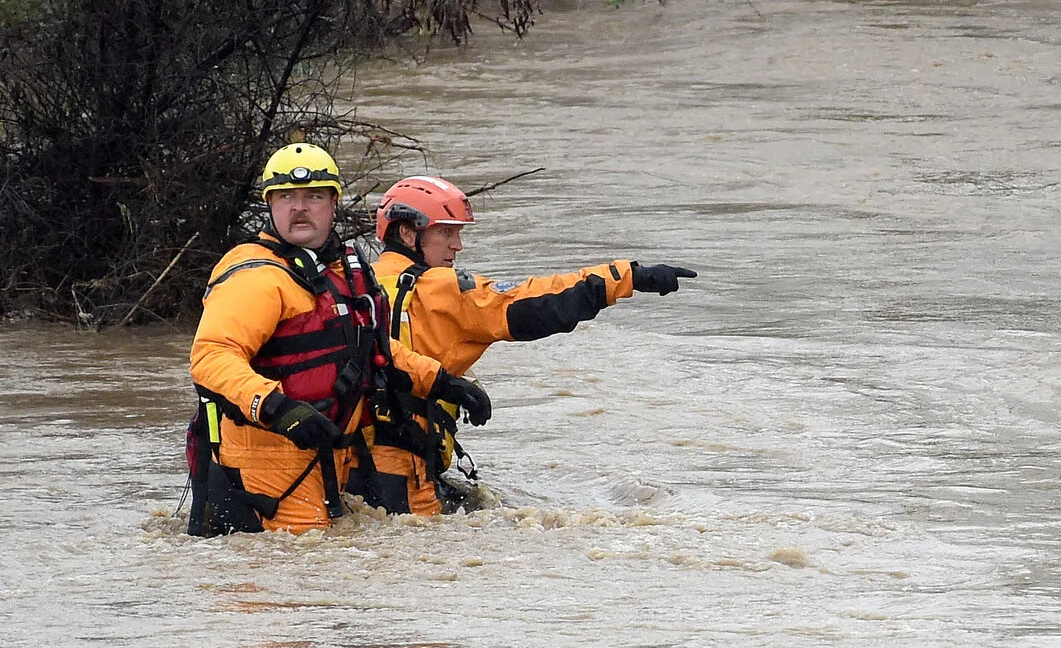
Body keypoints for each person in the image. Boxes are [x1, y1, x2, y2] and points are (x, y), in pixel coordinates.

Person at [185, 143, 492, 535]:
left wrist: (444, 383)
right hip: (264, 466)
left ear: (333, 205)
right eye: (286, 197)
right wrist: (279, 408)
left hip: (326, 459)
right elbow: (212, 357)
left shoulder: (341, 271)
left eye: (313, 197)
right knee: (287, 585)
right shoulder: (256, 277)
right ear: (271, 206)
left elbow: (371, 347)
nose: (300, 207)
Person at [355, 174, 696, 514]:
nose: (457, 245)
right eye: (446, 232)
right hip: (400, 474)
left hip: (343, 463)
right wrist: (628, 278)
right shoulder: (441, 289)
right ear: (406, 233)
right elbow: (535, 302)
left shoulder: (352, 284)